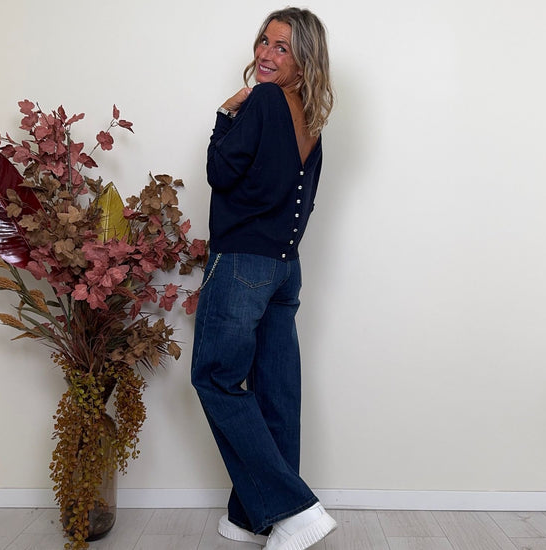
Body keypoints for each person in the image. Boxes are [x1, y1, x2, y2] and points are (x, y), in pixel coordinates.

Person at [191, 7, 336, 549]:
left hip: (243, 263)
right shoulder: (310, 117)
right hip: (284, 269)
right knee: (276, 392)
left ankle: (295, 509)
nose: (266, 55)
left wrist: (224, 114)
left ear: (303, 61)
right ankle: (253, 517)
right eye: (264, 42)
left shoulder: (266, 100)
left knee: (216, 379)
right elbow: (300, 199)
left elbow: (220, 171)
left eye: (282, 48)